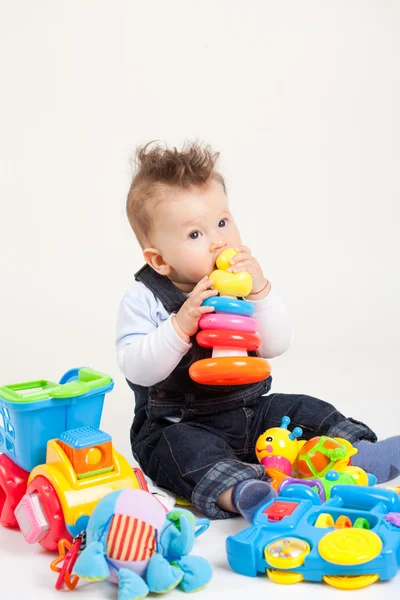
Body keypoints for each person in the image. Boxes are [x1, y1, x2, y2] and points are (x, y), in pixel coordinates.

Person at [116, 142, 400, 521]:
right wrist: (180, 325)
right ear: (160, 260)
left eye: (222, 222)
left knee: (300, 407)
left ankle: (357, 453)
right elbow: (137, 367)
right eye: (195, 235)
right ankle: (243, 492)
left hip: (250, 412)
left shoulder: (240, 284)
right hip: (181, 424)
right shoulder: (144, 299)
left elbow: (275, 344)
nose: (219, 241)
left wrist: (261, 291)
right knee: (178, 451)